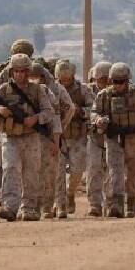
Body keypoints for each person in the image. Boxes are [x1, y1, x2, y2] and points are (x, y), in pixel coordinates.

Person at [0, 53, 57, 221]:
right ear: (12, 72)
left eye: (23, 71)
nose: (20, 75)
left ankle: (30, 208)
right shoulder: (4, 89)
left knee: (31, 172)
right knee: (10, 168)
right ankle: (10, 206)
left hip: (31, 137)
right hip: (11, 137)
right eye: (16, 71)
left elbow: (49, 112)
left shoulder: (37, 90)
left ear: (28, 72)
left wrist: (35, 119)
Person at [91, 62, 135, 217]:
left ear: (127, 80)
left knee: (134, 171)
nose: (118, 85)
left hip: (134, 137)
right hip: (114, 137)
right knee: (115, 170)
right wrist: (98, 120)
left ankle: (132, 204)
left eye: (121, 81)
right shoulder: (104, 96)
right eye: (115, 81)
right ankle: (116, 204)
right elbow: (94, 111)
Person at [29, 60, 69, 219]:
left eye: (34, 76)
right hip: (27, 137)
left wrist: (56, 138)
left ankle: (47, 207)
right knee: (31, 173)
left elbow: (58, 115)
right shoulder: (19, 91)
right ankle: (31, 206)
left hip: (47, 136)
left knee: (50, 174)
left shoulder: (49, 91)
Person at [53, 59, 92, 218]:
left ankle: (70, 192)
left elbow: (94, 109)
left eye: (68, 79)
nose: (65, 82)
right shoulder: (51, 90)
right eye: (62, 79)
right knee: (58, 172)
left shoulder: (82, 90)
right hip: (58, 137)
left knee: (78, 170)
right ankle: (61, 205)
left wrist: (80, 112)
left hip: (77, 137)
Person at [84, 61, 111, 217]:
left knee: (112, 170)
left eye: (107, 79)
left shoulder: (118, 92)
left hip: (113, 137)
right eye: (101, 79)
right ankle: (95, 203)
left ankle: (111, 202)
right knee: (94, 168)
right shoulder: (87, 92)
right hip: (93, 136)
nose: (104, 83)